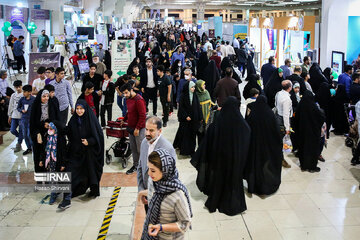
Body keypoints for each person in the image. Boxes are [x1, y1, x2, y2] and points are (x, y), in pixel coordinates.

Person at [191, 96, 250, 215]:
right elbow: (247, 137)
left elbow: (208, 142)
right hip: (235, 162)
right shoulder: (242, 125)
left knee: (219, 181)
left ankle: (217, 200)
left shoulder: (217, 124)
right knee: (234, 182)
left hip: (219, 161)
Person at [139, 149, 192, 240]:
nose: (149, 173)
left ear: (164, 171)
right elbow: (157, 193)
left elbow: (185, 224)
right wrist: (142, 193)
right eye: (149, 169)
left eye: (153, 171)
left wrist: (161, 227)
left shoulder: (177, 196)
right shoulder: (158, 182)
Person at [65, 99, 104, 200]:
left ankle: (93, 191)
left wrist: (89, 141)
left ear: (85, 109)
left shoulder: (91, 119)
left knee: (91, 172)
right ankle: (74, 191)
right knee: (73, 171)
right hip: (76, 151)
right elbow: (68, 131)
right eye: (77, 109)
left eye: (81, 109)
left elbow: (98, 137)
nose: (79, 111)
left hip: (89, 152)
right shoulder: (73, 120)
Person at [137, 117, 177, 212]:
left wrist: (152, 193)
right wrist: (141, 191)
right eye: (146, 129)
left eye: (151, 130)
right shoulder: (144, 143)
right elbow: (140, 168)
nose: (147, 133)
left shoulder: (167, 148)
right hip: (146, 195)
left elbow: (171, 178)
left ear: (159, 131)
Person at [245, 95, 282, 195]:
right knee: (265, 165)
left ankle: (254, 185)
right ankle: (266, 185)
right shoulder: (270, 114)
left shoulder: (253, 114)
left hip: (255, 145)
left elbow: (247, 128)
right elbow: (276, 131)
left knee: (255, 164)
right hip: (268, 146)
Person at [29, 89, 61, 174]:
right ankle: (39, 177)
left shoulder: (52, 105)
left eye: (47, 96)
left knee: (49, 156)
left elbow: (58, 120)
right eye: (44, 96)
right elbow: (32, 123)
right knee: (38, 155)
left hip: (50, 134)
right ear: (40, 97)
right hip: (38, 133)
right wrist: (37, 132)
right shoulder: (35, 106)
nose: (46, 98)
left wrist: (51, 124)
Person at [294, 91, 325, 172]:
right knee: (313, 149)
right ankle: (312, 166)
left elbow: (295, 119)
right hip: (313, 132)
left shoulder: (300, 106)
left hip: (302, 132)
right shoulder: (314, 107)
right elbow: (321, 118)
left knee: (302, 148)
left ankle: (303, 165)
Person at [120, 82, 146, 175]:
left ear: (131, 90)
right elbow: (129, 111)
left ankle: (143, 166)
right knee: (134, 149)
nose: (125, 95)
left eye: (126, 92)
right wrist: (125, 119)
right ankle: (136, 165)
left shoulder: (139, 100)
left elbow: (143, 116)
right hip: (130, 127)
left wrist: (138, 128)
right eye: (123, 93)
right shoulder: (128, 99)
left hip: (139, 129)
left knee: (141, 149)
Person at [173, 81, 203, 156]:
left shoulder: (195, 95)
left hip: (194, 120)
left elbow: (198, 107)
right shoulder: (183, 96)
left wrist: (200, 117)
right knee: (186, 136)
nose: (193, 89)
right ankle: (186, 151)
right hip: (186, 121)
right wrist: (186, 116)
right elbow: (181, 108)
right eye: (192, 87)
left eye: (194, 87)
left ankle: (192, 151)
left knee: (193, 136)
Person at [274, 80, 293, 168]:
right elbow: (286, 114)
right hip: (282, 120)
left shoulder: (278, 93)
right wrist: (287, 128)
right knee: (281, 141)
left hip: (277, 117)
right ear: (290, 88)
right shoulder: (287, 99)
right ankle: (280, 159)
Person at [17, 85, 35, 155]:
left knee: (29, 134)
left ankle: (34, 147)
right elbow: (18, 107)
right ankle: (29, 148)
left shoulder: (33, 99)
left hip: (31, 120)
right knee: (25, 135)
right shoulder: (22, 99)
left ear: (30, 92)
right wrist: (22, 110)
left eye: (25, 92)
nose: (23, 93)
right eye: (23, 92)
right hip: (24, 119)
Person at [8, 80, 23, 152]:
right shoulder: (13, 95)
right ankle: (20, 137)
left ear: (21, 86)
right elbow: (10, 106)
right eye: (16, 87)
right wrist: (9, 115)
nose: (18, 89)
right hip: (14, 115)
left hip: (22, 116)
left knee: (21, 130)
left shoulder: (24, 95)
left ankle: (19, 144)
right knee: (12, 130)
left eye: (19, 87)